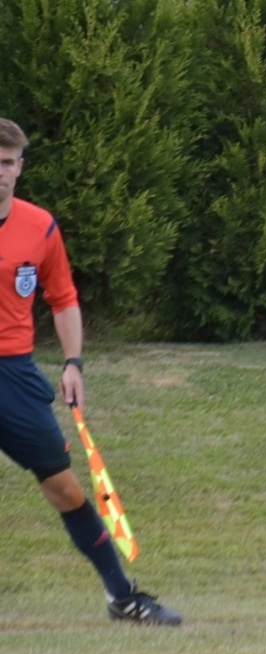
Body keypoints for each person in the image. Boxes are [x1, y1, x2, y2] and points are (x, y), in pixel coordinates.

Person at [0, 118, 181, 625]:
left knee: (64, 489)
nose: (0, 172)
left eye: (7, 162)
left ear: (19, 167)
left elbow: (62, 298)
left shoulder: (40, 227)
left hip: (13, 373)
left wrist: (73, 362)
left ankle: (122, 597)